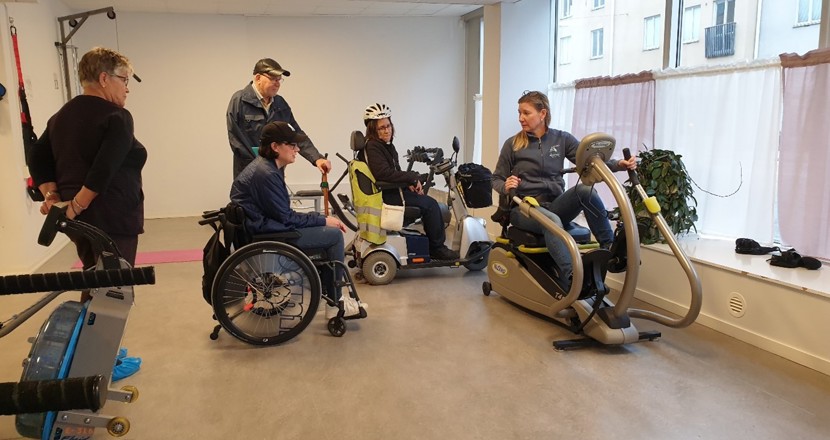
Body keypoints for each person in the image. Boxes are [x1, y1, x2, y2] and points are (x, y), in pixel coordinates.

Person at [28, 46, 144, 381]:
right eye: (124, 79)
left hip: (80, 222)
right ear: (104, 78)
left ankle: (90, 354)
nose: (127, 88)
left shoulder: (62, 116)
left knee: (96, 286)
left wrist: (54, 196)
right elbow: (104, 168)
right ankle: (93, 369)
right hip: (111, 219)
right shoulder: (116, 117)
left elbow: (37, 155)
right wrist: (77, 203)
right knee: (114, 293)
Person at [491, 90, 636, 284]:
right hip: (524, 209)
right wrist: (505, 185)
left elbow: (590, 161)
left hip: (555, 205)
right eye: (519, 113)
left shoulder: (561, 139)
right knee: (551, 221)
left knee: (585, 190)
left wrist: (618, 164)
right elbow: (496, 178)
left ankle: (610, 249)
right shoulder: (513, 144)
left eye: (526, 113)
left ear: (542, 114)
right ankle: (573, 276)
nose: (520, 118)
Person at [230, 121, 360, 318]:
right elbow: (287, 218)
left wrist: (319, 218)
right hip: (270, 234)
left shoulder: (266, 168)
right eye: (291, 145)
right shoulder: (266, 174)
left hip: (263, 228)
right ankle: (335, 303)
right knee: (334, 236)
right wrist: (322, 220)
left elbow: (281, 214)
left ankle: (330, 292)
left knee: (327, 229)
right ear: (275, 146)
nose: (297, 149)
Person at [359, 103, 459, 261]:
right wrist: (411, 178)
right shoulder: (373, 147)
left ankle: (431, 243)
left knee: (425, 199)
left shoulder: (384, 146)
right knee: (431, 205)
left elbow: (393, 173)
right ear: (373, 130)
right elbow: (383, 174)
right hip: (389, 196)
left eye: (388, 126)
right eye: (382, 128)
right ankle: (437, 248)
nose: (387, 130)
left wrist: (409, 182)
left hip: (391, 191)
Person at [227, 58, 331, 178]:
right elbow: (237, 141)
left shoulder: (280, 104)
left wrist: (317, 158)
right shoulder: (239, 100)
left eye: (279, 79)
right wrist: (260, 166)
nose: (277, 83)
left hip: (275, 173)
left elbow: (295, 133)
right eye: (273, 79)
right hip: (249, 174)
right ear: (258, 78)